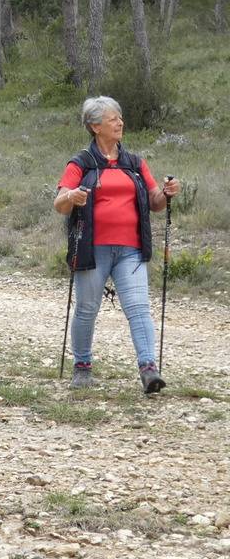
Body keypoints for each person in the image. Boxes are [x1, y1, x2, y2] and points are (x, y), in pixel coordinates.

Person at [54, 96, 181, 394]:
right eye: (113, 119)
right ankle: (82, 367)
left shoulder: (135, 163)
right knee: (87, 308)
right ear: (95, 126)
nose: (120, 122)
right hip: (91, 248)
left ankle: (149, 369)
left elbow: (155, 203)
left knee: (138, 307)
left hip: (131, 250)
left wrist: (167, 192)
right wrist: (71, 197)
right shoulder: (80, 163)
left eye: (120, 117)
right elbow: (59, 204)